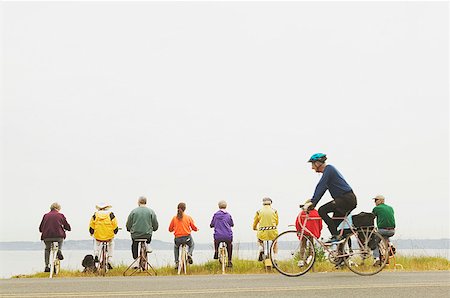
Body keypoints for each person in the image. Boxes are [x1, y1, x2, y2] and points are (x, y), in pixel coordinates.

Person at [304, 153, 357, 243]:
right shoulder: (328, 172)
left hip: (346, 199)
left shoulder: (329, 169)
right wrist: (313, 202)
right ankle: (341, 254)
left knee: (322, 210)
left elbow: (321, 185)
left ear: (317, 163)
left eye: (312, 164)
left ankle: (336, 236)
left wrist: (313, 202)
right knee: (333, 225)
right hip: (345, 200)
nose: (312, 168)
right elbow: (323, 189)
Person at [39, 202, 71, 272]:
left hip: (47, 237)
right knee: (60, 241)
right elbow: (66, 225)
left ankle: (47, 266)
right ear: (58, 208)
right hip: (58, 236)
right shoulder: (60, 215)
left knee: (47, 249)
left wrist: (43, 231)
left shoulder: (45, 216)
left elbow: (40, 228)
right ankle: (59, 250)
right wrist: (68, 228)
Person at [168, 202, 198, 269]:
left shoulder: (174, 218)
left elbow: (170, 229)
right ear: (185, 209)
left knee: (176, 247)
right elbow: (193, 227)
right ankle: (189, 254)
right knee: (192, 245)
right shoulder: (188, 218)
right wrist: (196, 229)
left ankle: (176, 262)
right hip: (187, 238)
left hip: (178, 239)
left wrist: (175, 228)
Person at [89, 202, 118, 269]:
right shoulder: (111, 214)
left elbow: (91, 225)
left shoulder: (95, 215)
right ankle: (110, 259)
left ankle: (96, 254)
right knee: (111, 243)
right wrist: (115, 231)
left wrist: (91, 232)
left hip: (98, 235)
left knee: (96, 242)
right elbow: (115, 224)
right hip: (108, 236)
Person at [372, 195, 396, 264]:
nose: (375, 202)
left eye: (376, 200)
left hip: (382, 230)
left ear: (380, 201)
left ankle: (377, 259)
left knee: (374, 242)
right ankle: (390, 244)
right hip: (392, 231)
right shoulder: (390, 208)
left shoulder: (376, 208)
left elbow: (371, 217)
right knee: (385, 236)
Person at [210, 200, 234, 267]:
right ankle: (229, 261)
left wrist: (212, 225)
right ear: (226, 206)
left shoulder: (216, 215)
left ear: (219, 206)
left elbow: (212, 224)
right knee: (229, 245)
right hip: (228, 235)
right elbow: (232, 224)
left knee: (216, 240)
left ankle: (216, 251)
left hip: (218, 235)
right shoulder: (228, 215)